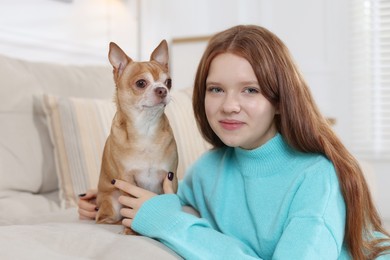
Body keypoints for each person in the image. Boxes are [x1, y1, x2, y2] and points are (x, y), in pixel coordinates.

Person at [78, 25, 390, 259]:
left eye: (250, 90)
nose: (229, 105)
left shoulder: (317, 178)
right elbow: (175, 202)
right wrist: (112, 197)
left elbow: (171, 218)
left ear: (281, 100)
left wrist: (168, 223)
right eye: (216, 89)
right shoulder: (209, 168)